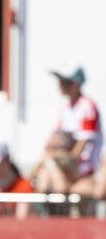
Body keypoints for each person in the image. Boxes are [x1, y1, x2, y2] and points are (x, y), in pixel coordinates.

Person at [49, 64, 102, 196]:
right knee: (47, 173)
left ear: (76, 85)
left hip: (85, 170)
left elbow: (83, 143)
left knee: (60, 185)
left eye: (64, 82)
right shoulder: (64, 108)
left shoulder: (88, 106)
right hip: (68, 165)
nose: (60, 85)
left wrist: (67, 162)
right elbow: (57, 138)